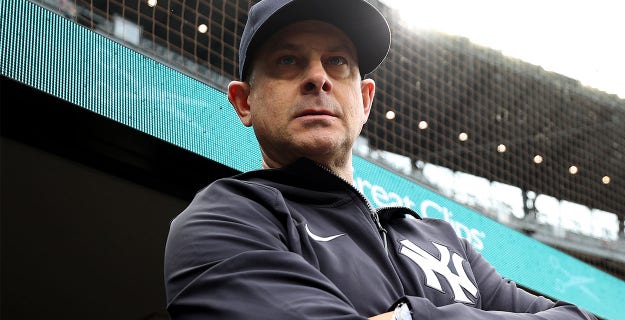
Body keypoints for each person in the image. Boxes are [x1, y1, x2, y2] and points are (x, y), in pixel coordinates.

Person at [163, 0, 598, 319]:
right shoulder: (223, 219)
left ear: (366, 100)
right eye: (288, 60)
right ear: (243, 102)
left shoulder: (444, 242)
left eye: (337, 62)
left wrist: (407, 318)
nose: (318, 78)